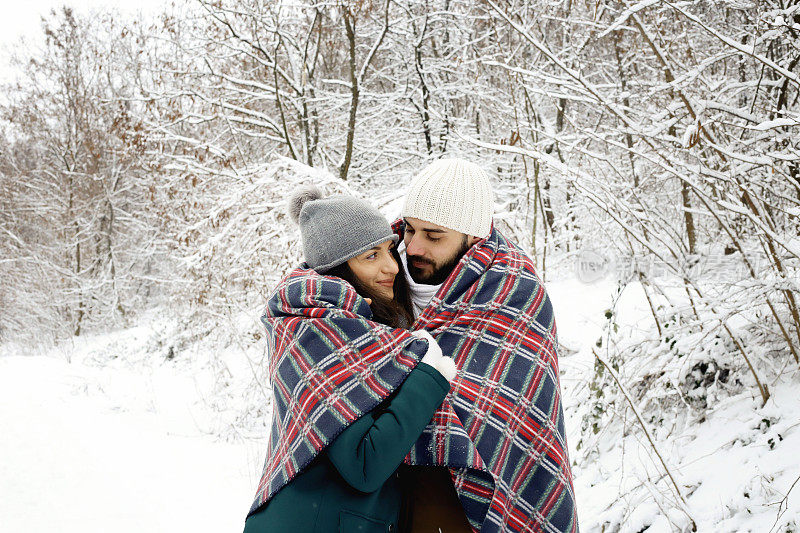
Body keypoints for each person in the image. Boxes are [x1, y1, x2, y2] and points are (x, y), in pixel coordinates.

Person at [244, 186, 458, 533]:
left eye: (390, 250)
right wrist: (431, 373)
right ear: (338, 269)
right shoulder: (317, 333)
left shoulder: (353, 326)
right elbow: (365, 462)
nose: (391, 266)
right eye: (370, 256)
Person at [395, 159, 580, 533]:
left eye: (433, 236)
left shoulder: (516, 293)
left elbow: (519, 415)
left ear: (472, 238)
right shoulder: (376, 272)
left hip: (458, 502)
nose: (412, 246)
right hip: (379, 493)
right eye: (410, 229)